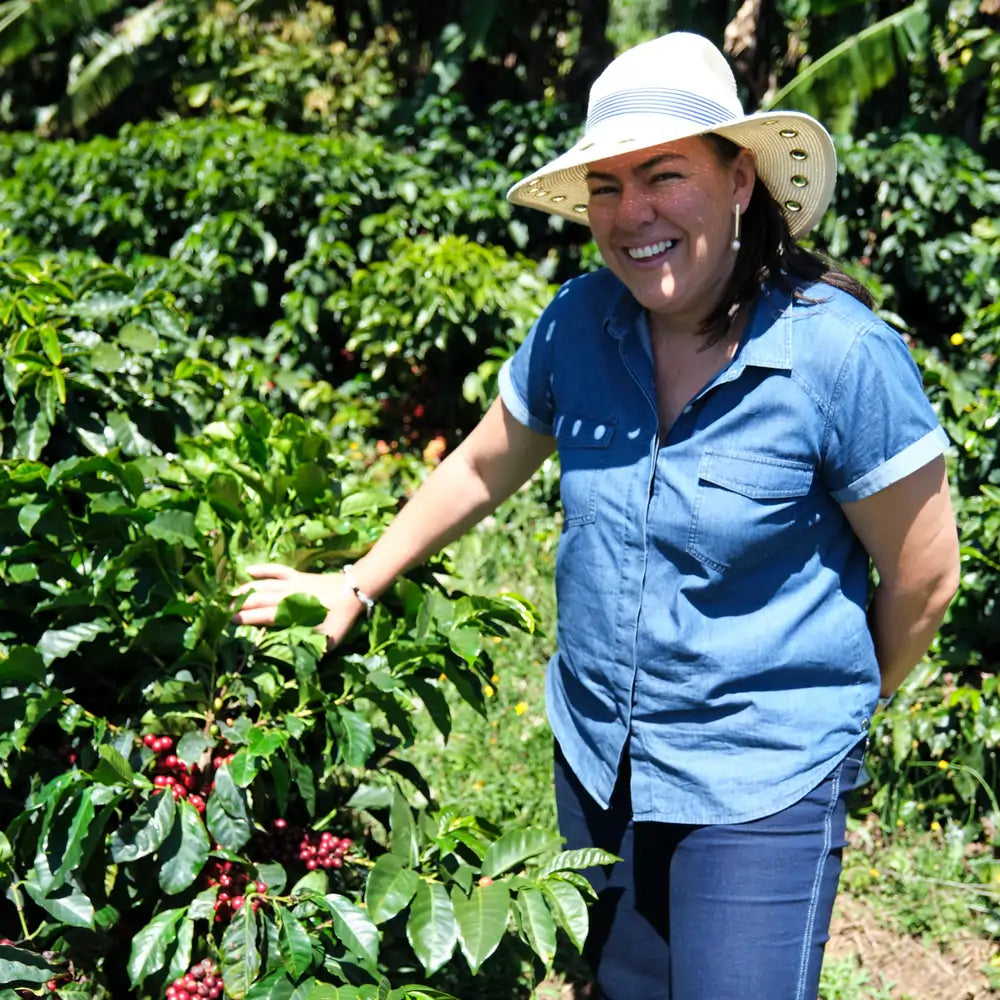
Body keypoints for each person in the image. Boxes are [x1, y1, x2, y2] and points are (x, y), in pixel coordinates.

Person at [233, 31, 960, 1000]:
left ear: (739, 178)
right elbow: (486, 462)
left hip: (760, 786)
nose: (632, 214)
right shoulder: (579, 323)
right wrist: (355, 579)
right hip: (599, 760)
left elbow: (924, 572)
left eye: (663, 175)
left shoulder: (836, 356)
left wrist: (820, 727)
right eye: (606, 187)